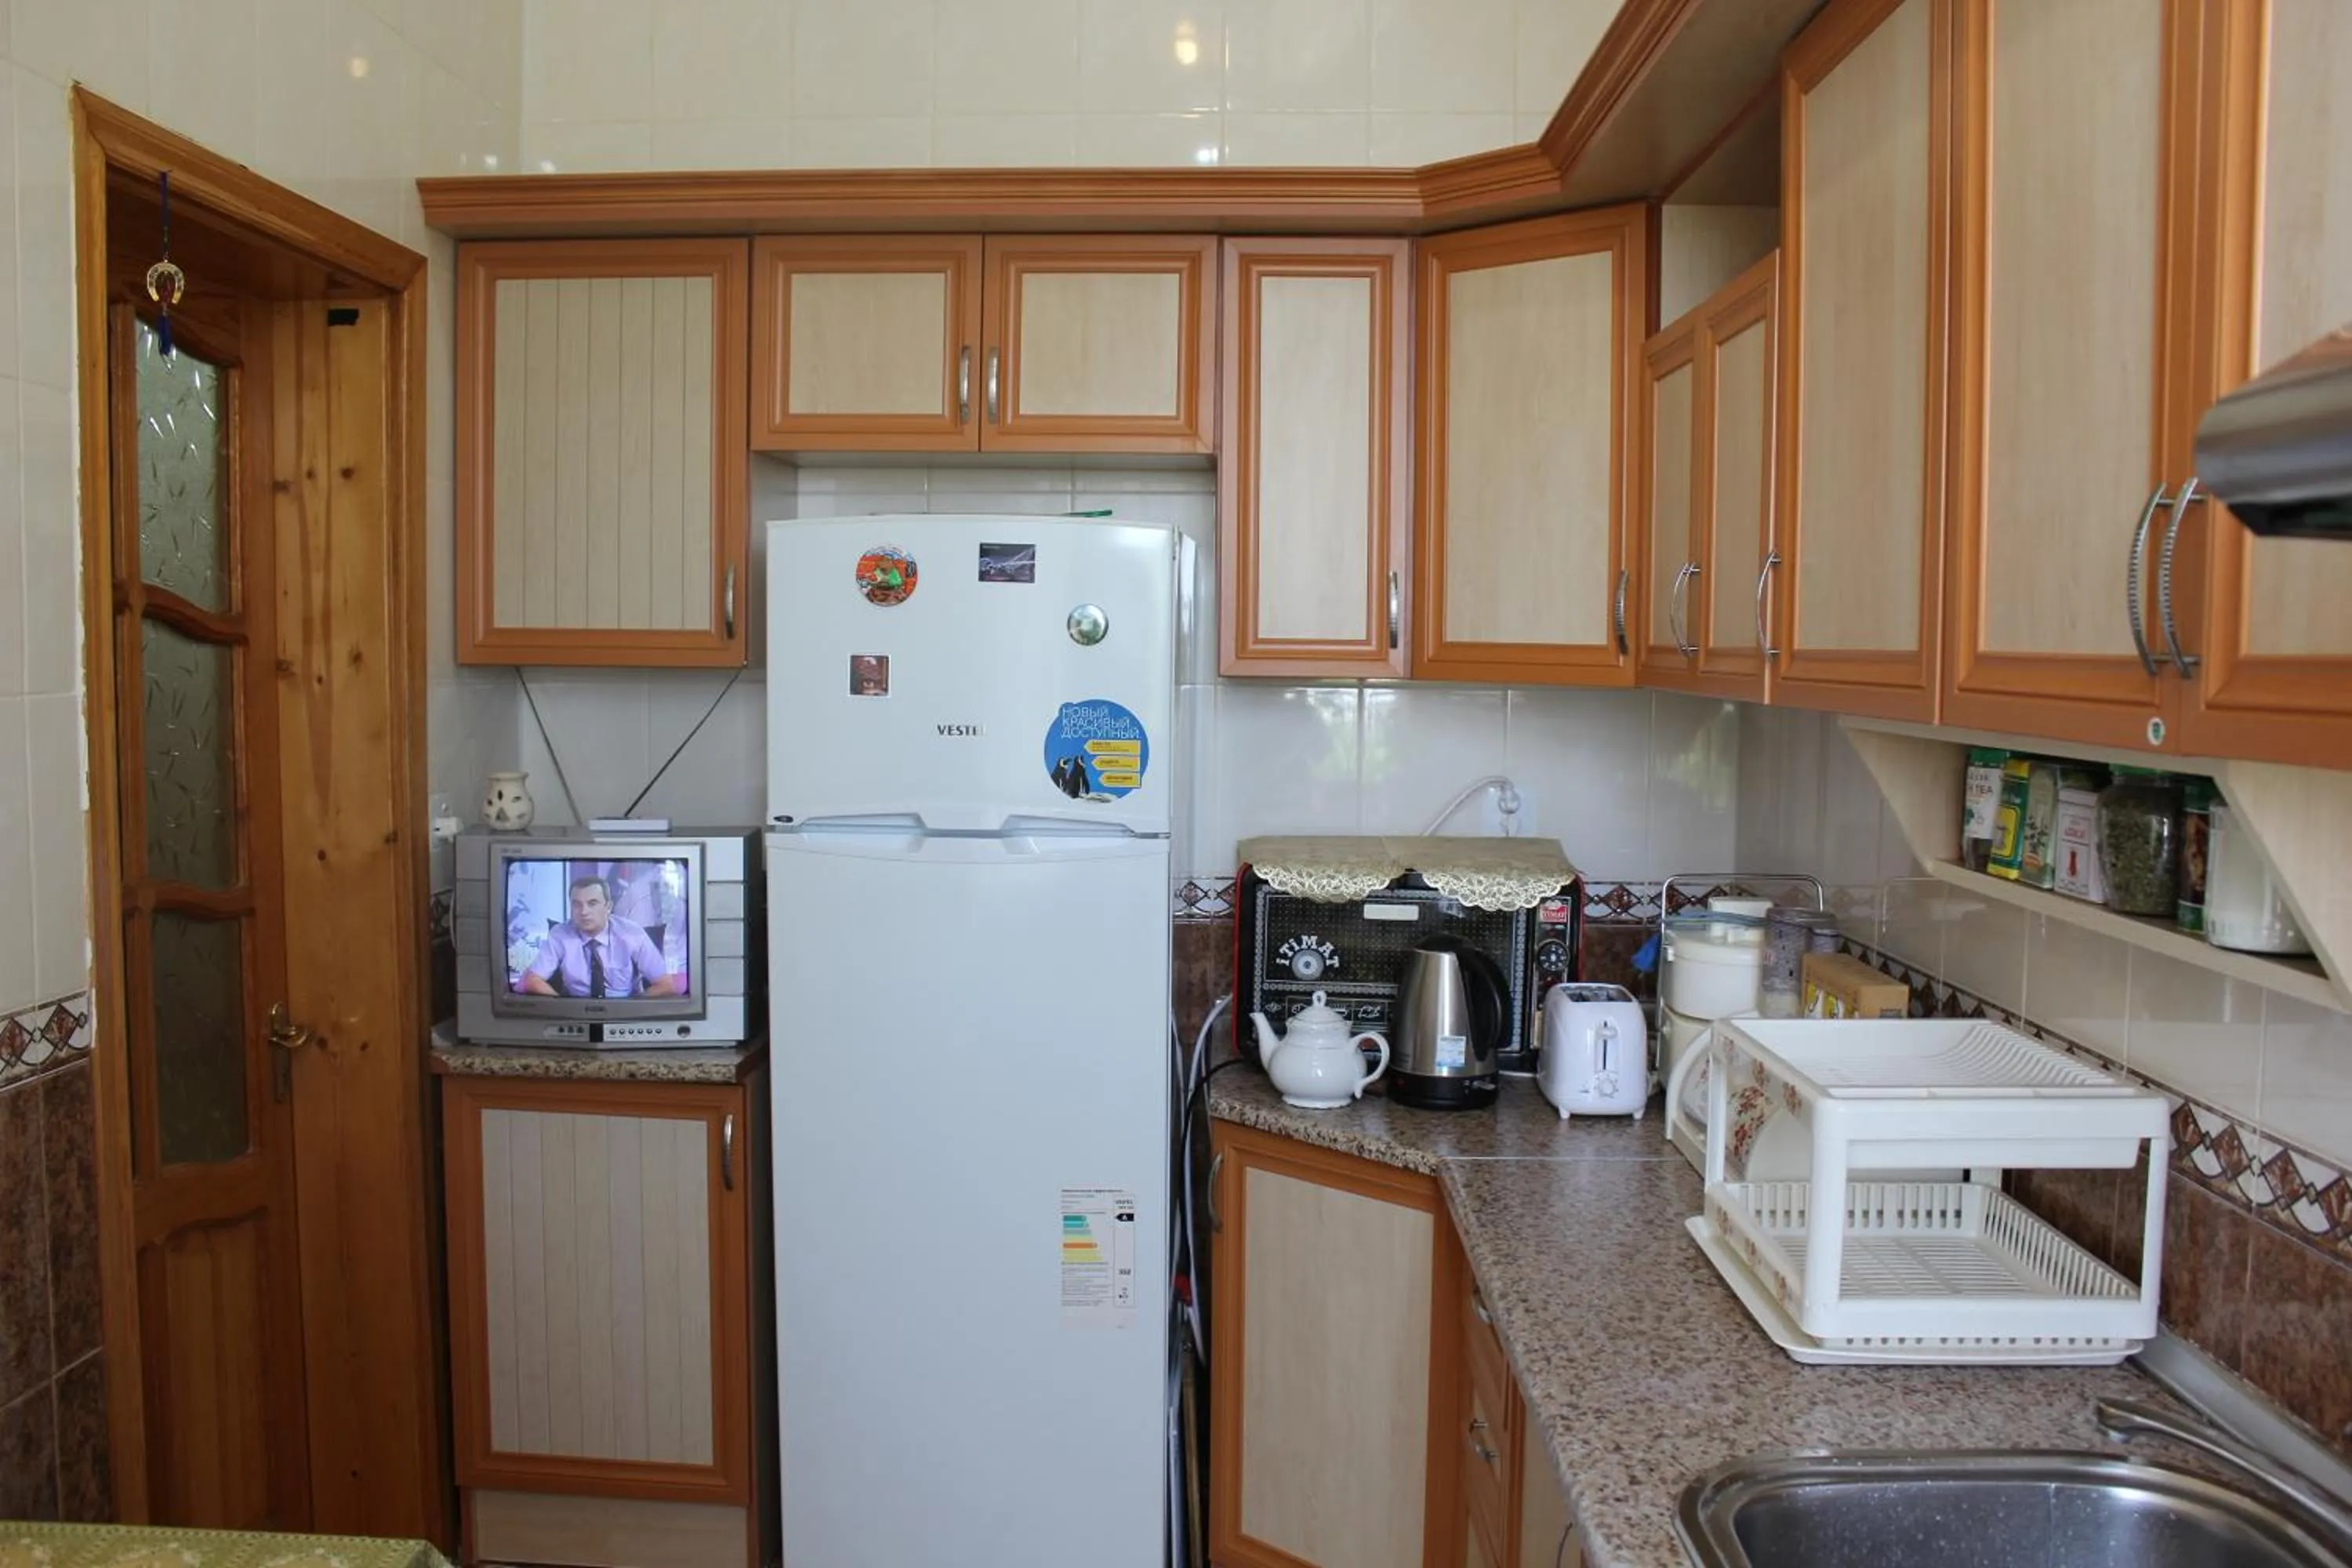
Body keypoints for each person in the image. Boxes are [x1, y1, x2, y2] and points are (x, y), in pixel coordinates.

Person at [519, 873, 679, 998]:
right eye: (577, 904)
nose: (584, 912)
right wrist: (564, 1007)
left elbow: (666, 985)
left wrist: (633, 1009)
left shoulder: (632, 934)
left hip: (625, 1013)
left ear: (608, 907)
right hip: (577, 1012)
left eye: (592, 903)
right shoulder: (560, 935)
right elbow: (532, 981)